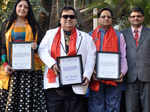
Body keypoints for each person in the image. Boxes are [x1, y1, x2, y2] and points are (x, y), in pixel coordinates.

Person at [38, 6, 96, 112]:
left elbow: (91, 58)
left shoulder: (86, 38)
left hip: (77, 86)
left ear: (76, 20)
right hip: (55, 85)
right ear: (60, 19)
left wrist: (87, 75)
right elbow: (42, 50)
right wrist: (52, 64)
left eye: (71, 17)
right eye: (65, 16)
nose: (68, 19)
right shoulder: (50, 34)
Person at [0, 0, 46, 111]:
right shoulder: (7, 25)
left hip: (30, 73)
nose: (22, 9)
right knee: (11, 103)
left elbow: (43, 47)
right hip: (11, 71)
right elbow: (2, 48)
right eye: (20, 6)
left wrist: (37, 47)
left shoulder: (34, 26)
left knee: (29, 105)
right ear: (16, 7)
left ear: (29, 10)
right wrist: (5, 64)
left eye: (26, 7)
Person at [88, 7, 128, 112]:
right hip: (96, 79)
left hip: (114, 80)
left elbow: (123, 57)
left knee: (113, 107)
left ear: (112, 20)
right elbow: (87, 58)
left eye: (109, 17)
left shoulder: (119, 36)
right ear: (99, 19)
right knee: (96, 108)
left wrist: (122, 73)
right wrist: (91, 73)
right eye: (103, 16)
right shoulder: (90, 36)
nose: (106, 19)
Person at [121, 7, 150, 112]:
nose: (136, 18)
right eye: (133, 16)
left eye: (138, 16)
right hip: (129, 78)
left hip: (147, 77)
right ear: (129, 19)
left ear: (143, 18)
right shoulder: (122, 34)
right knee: (131, 109)